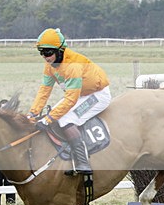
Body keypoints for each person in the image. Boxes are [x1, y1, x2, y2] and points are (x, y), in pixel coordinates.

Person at [28, 28, 111, 175]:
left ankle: (83, 162)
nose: (45, 57)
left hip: (97, 94)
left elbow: (71, 99)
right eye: (41, 52)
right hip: (80, 93)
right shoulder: (50, 67)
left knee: (66, 119)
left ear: (60, 50)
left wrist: (48, 120)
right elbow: (44, 91)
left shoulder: (72, 65)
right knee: (54, 115)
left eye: (48, 52)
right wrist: (32, 113)